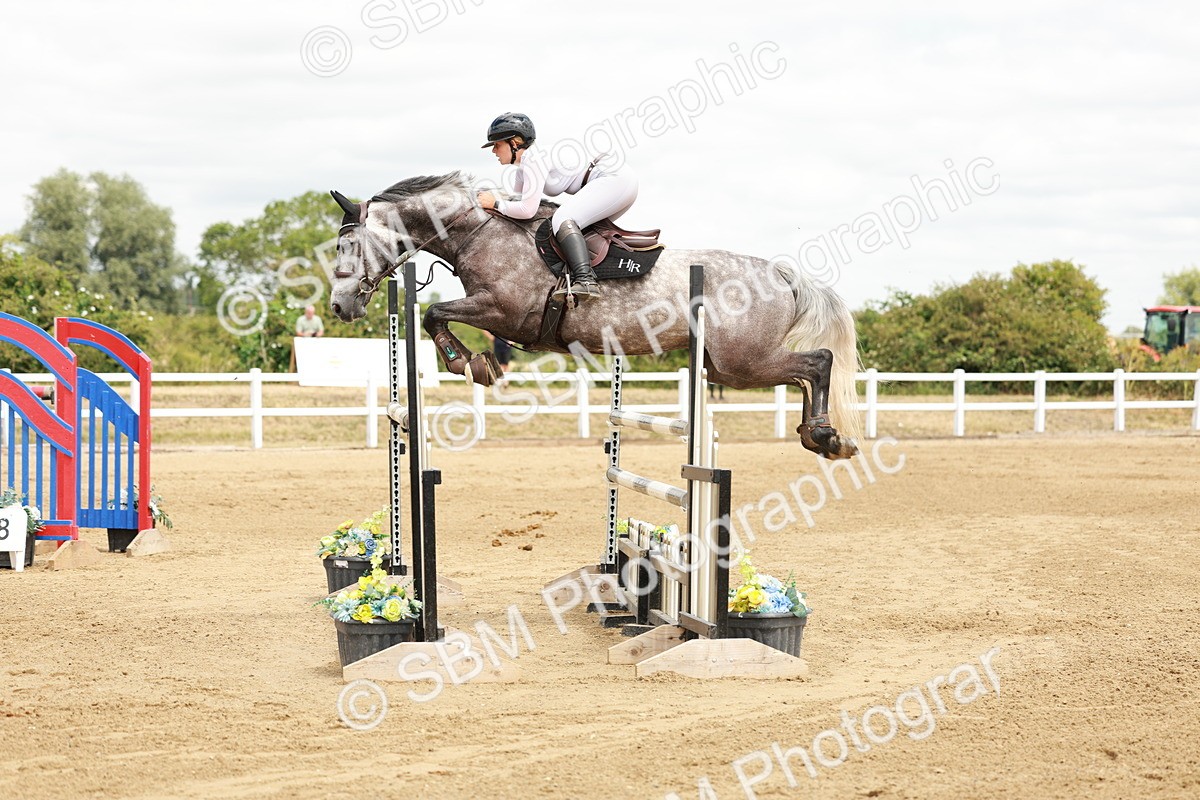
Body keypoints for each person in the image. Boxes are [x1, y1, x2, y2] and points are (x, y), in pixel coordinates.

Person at [475, 112, 638, 304]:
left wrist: (494, 203)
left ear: (515, 142)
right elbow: (516, 204)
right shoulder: (523, 168)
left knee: (562, 219)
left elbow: (527, 210)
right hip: (617, 182)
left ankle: (585, 281)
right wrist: (494, 205)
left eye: (497, 144)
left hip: (614, 179)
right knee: (579, 229)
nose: (493, 150)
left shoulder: (533, 158)